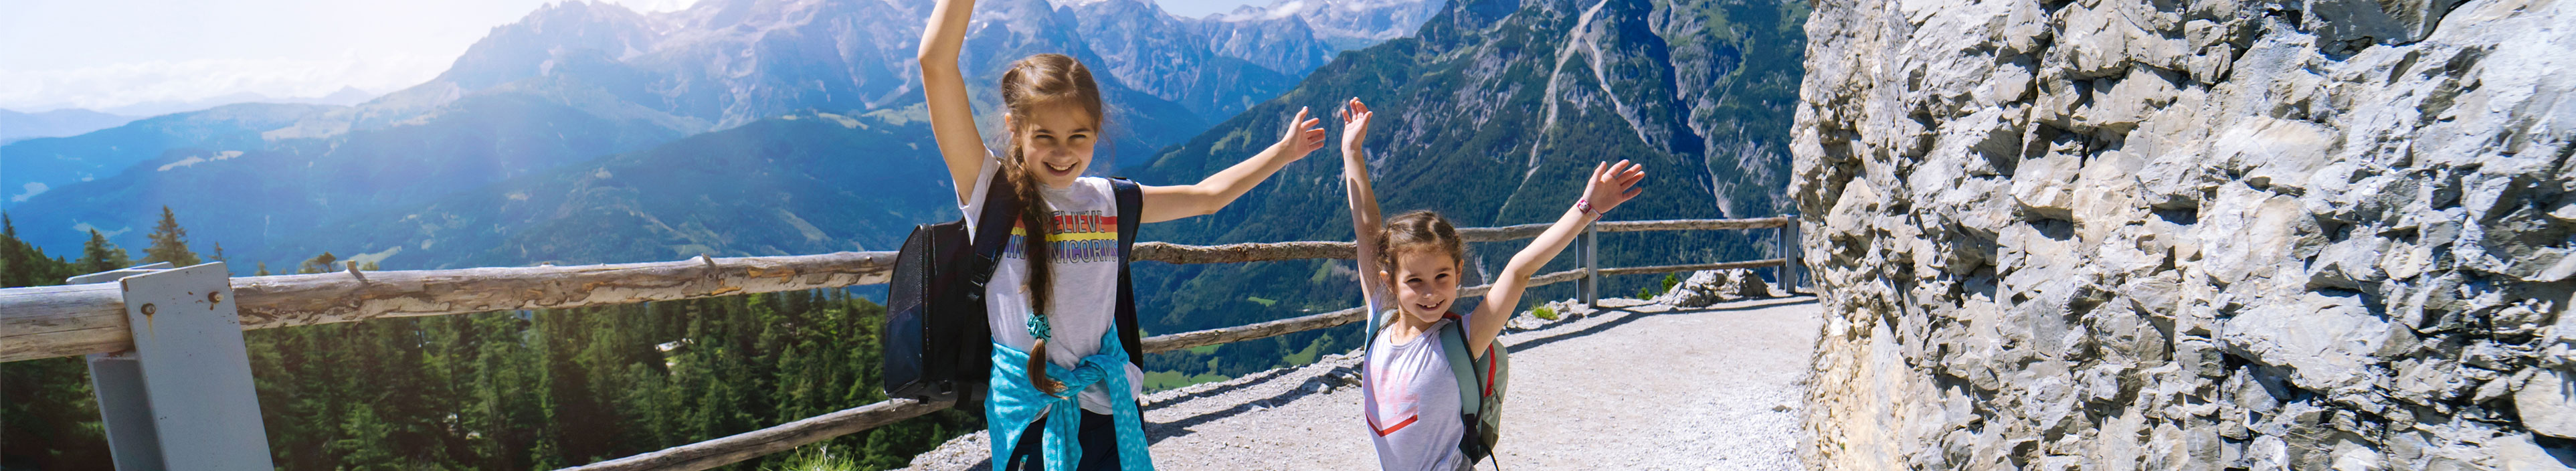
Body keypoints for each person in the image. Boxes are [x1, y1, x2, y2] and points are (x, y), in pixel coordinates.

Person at [917, 0, 1331, 469]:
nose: (1063, 152)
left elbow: (1206, 196)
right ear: (1014, 130)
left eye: (1079, 136)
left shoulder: (1111, 202)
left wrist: (1283, 151)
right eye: (1044, 136)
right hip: (1032, 417)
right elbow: (935, 66)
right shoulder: (988, 191)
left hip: (1109, 406)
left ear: (1097, 132)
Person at [1336, 97, 1645, 470]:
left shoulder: (1461, 342)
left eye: (1442, 277)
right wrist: (1352, 151)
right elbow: (1368, 232)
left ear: (1459, 272)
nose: (1431, 291)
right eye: (1415, 280)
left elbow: (1519, 270)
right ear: (1389, 281)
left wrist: (1587, 209)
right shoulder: (1378, 324)